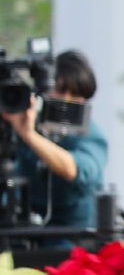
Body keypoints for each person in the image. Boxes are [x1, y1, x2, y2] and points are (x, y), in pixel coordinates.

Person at [0, 49, 108, 259]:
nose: (64, 100)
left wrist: (30, 136)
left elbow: (74, 169)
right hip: (20, 239)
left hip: (73, 247)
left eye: (74, 94)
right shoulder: (25, 121)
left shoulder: (90, 134)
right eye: (58, 90)